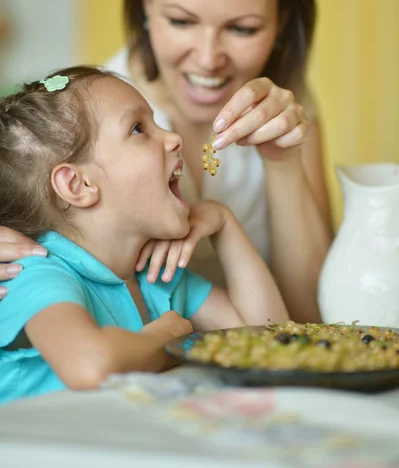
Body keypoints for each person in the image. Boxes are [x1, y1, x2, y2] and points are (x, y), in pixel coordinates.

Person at [0, 0, 332, 322]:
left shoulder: (286, 111)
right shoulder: (84, 123)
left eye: (243, 29)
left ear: (282, 20)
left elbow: (312, 319)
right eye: (181, 21)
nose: (208, 57)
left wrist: (283, 163)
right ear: (146, 1)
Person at [0, 66, 288, 404]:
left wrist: (225, 225)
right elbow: (89, 366)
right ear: (78, 185)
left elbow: (270, 345)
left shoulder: (158, 276)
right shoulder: (37, 272)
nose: (173, 138)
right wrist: (169, 337)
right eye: (139, 128)